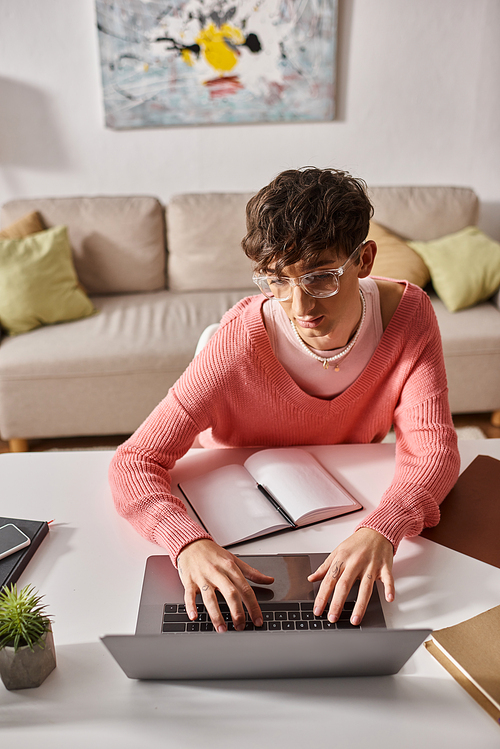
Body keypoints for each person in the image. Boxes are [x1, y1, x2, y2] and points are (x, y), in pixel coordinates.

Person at [109, 167, 460, 634]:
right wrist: (187, 544)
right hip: (233, 518)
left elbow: (434, 451)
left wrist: (383, 529)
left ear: (365, 258)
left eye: (320, 278)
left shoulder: (410, 316)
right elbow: (134, 461)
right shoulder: (239, 342)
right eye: (277, 281)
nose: (299, 307)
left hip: (347, 505)